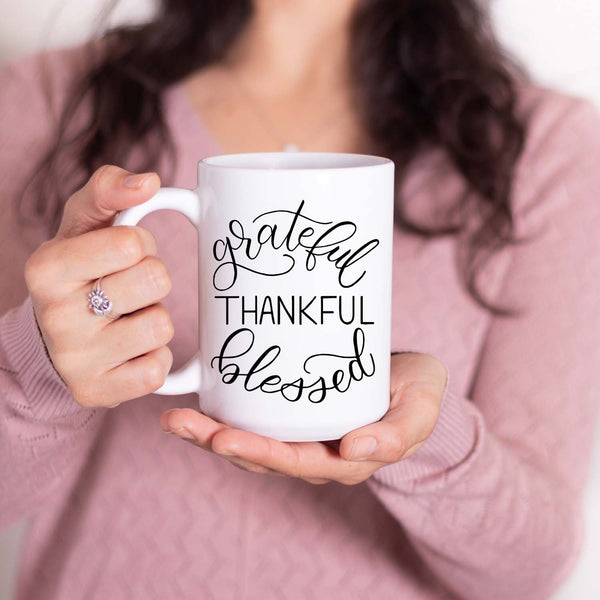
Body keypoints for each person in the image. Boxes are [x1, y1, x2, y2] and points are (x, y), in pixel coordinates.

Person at [1, 1, 599, 598]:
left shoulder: (547, 152)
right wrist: (42, 370)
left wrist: (420, 436)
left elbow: (529, 572)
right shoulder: (46, 102)